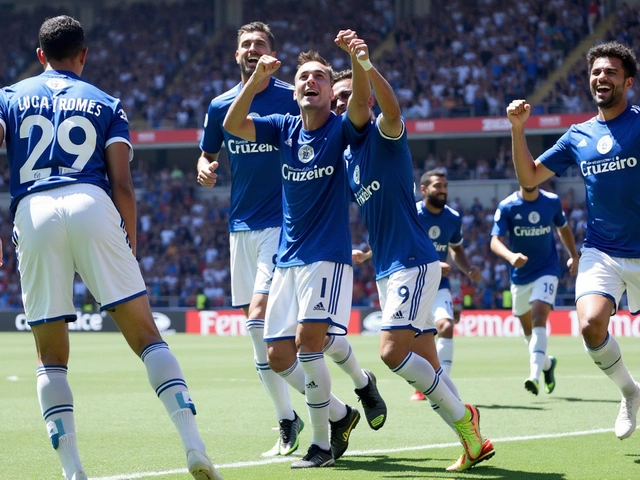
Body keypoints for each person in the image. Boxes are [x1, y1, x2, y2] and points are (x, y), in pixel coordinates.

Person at [0, 16, 222, 480]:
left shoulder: (9, 97)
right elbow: (122, 183)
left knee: (50, 356)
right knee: (146, 337)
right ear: (83, 54)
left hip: (33, 209)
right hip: (92, 201)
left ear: (40, 55)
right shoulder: (106, 103)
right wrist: (130, 247)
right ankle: (194, 445)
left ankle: (74, 472)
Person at [223, 31, 386, 469]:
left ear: (330, 91)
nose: (309, 82)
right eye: (302, 78)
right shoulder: (284, 128)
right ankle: (344, 410)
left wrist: (356, 61)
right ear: (294, 90)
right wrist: (255, 81)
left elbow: (360, 106)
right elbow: (233, 125)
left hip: (326, 256)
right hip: (286, 260)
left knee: (309, 344)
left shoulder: (340, 129)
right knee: (278, 355)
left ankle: (320, 445)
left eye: (318, 77)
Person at [335, 37, 494, 472]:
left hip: (413, 261)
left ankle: (467, 419)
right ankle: (473, 443)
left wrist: (361, 64)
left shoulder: (383, 137)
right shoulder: (348, 160)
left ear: (364, 97)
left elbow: (390, 109)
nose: (343, 102)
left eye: (350, 93)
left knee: (390, 353)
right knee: (428, 363)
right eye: (338, 99)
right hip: (387, 267)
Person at [506, 41, 640, 440]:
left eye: (611, 72)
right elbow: (529, 177)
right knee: (590, 325)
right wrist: (517, 130)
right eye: (596, 72)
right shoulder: (578, 135)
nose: (601, 77)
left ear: (628, 82)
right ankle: (629, 393)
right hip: (602, 250)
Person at [196, 21, 304, 458]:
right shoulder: (221, 105)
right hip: (240, 227)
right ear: (235, 54)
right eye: (245, 45)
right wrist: (203, 165)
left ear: (271, 54)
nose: (252, 49)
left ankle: (331, 407)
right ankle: (287, 417)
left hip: (284, 222)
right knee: (254, 329)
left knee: (261, 317)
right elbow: (208, 151)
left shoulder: (290, 99)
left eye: (259, 44)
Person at [490, 185, 579, 395]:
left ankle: (534, 376)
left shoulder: (552, 202)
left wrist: (574, 255)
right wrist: (511, 257)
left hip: (547, 269)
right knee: (528, 330)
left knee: (539, 318)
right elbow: (495, 240)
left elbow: (563, 227)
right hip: (519, 275)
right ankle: (547, 364)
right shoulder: (507, 206)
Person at [409, 169, 481, 403]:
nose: (442, 190)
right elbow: (402, 246)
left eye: (445, 186)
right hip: (413, 283)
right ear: (423, 190)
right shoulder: (413, 213)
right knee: (415, 338)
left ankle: (441, 387)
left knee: (446, 326)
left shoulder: (453, 217)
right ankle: (422, 384)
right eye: (437, 186)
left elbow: (456, 249)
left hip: (440, 285)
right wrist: (430, 264)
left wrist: (468, 268)